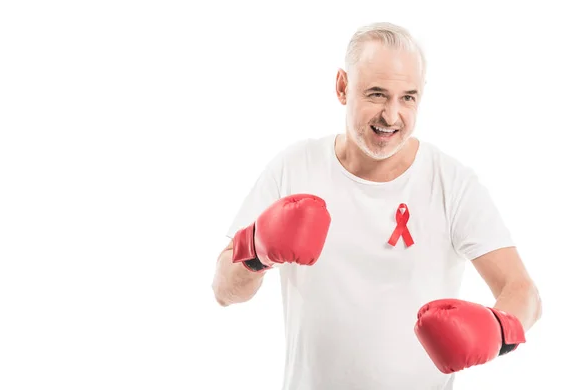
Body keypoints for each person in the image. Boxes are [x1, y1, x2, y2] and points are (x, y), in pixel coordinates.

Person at [211, 22, 542, 390]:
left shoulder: (452, 182)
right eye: (377, 94)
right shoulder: (295, 166)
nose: (391, 115)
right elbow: (224, 289)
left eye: (408, 97)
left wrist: (498, 329)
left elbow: (523, 292)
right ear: (342, 87)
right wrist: (257, 248)